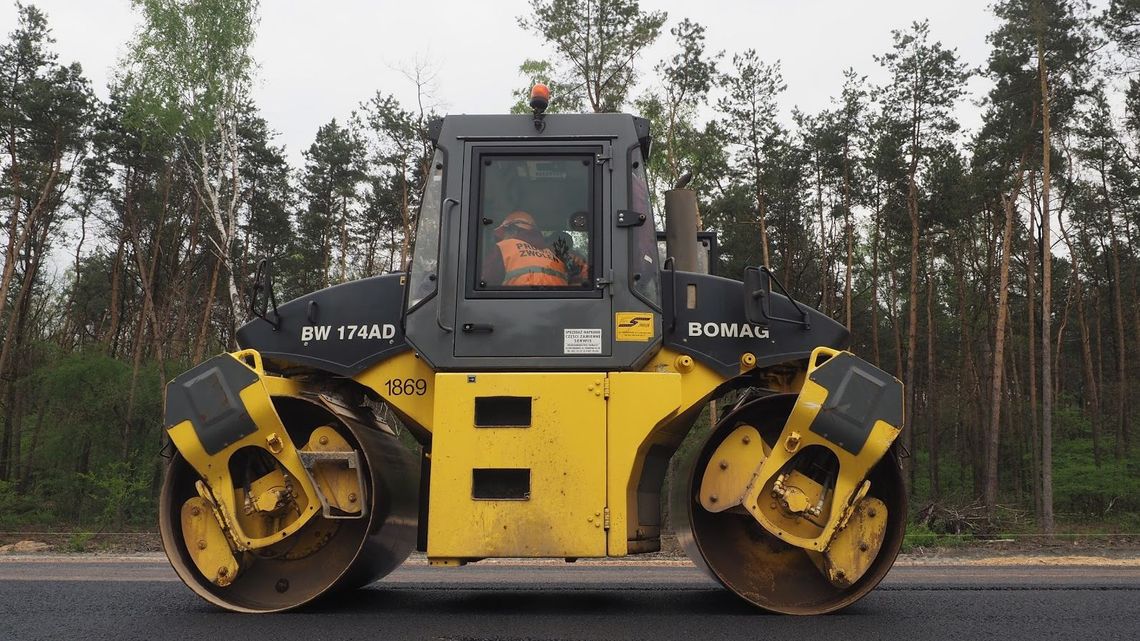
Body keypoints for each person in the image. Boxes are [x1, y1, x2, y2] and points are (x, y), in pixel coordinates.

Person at [482, 210, 570, 287]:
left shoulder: (505, 247)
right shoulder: (554, 255)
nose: (503, 238)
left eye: (505, 233)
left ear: (513, 230)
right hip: (557, 305)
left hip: (517, 304)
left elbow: (486, 283)